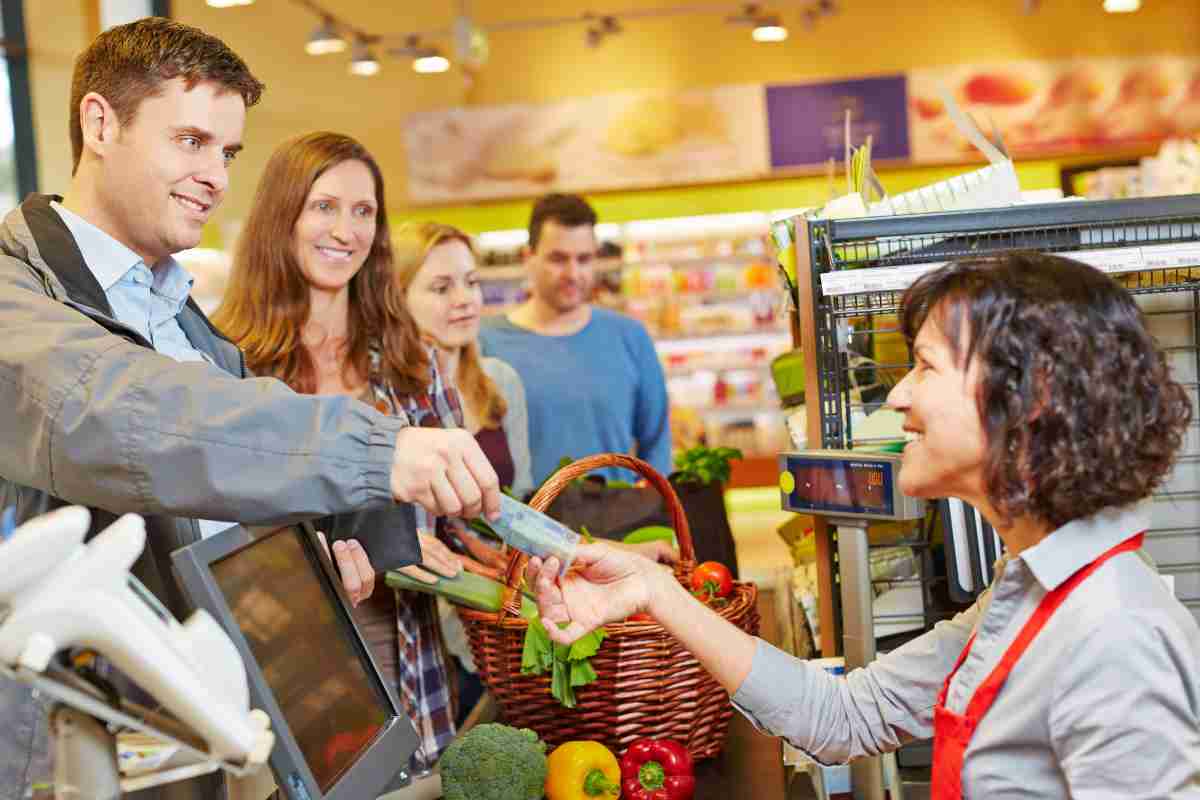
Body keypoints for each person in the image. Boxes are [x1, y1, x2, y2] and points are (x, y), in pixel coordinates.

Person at [0, 19, 498, 800]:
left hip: (193, 746)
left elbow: (201, 515)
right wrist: (375, 452)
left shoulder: (186, 320)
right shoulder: (15, 299)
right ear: (100, 124)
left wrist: (299, 560)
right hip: (68, 760)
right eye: (190, 141)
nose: (216, 177)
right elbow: (120, 412)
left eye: (226, 152)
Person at [527, 251, 1200, 798]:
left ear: (1032, 398)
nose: (900, 395)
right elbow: (847, 716)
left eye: (926, 366)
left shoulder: (1114, 636)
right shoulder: (1028, 594)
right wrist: (655, 590)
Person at [211, 132, 479, 775]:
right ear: (284, 215)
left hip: (407, 653)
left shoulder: (411, 365)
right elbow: (209, 532)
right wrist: (302, 570)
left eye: (364, 211)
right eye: (325, 206)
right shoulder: (229, 369)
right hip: (284, 668)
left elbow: (464, 524)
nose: (346, 230)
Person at [479, 193, 671, 486]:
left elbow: (657, 446)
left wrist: (657, 516)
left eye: (584, 259)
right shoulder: (485, 342)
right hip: (519, 527)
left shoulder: (630, 338)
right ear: (528, 259)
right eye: (558, 259)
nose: (573, 273)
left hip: (617, 528)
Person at [393, 221, 534, 499]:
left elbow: (523, 496)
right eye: (442, 288)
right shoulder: (383, 395)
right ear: (398, 298)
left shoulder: (502, 379)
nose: (464, 299)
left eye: (471, 283)